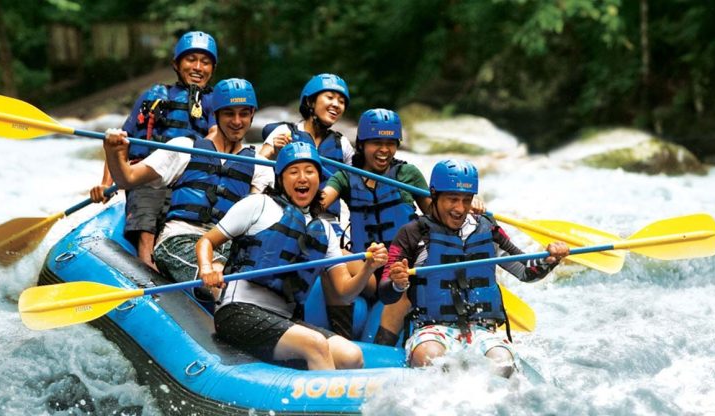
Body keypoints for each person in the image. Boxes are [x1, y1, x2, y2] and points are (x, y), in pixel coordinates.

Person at [196, 142, 388, 370]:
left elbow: (345, 293)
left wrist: (368, 268)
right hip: (238, 311)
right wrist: (207, 268)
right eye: (293, 172)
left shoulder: (324, 230)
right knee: (315, 344)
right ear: (281, 179)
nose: (302, 178)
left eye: (309, 171)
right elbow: (206, 241)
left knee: (351, 355)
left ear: (319, 179)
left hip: (283, 319)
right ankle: (327, 405)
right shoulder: (258, 204)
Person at [378, 159, 569, 377]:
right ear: (434, 194)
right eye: (452, 199)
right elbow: (386, 293)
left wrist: (550, 259)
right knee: (429, 357)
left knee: (502, 363)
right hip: (432, 330)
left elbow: (526, 272)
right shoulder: (411, 233)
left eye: (466, 200)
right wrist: (397, 283)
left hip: (482, 331)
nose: (460, 208)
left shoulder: (488, 229)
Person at [102, 78, 273, 293]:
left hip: (226, 246)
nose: (237, 121)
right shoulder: (185, 148)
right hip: (180, 240)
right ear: (216, 115)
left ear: (252, 115)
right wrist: (113, 151)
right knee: (226, 282)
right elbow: (127, 178)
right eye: (229, 113)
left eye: (244, 113)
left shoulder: (260, 165)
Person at [91, 31, 219, 270]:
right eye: (191, 59)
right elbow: (119, 143)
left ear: (213, 68)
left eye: (205, 62)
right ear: (176, 64)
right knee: (149, 193)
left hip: (188, 177)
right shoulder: (154, 96)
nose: (198, 67)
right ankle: (146, 262)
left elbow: (215, 134)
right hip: (149, 174)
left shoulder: (214, 102)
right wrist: (106, 184)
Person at [318, 109, 429, 342]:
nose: (384, 150)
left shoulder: (408, 174)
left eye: (391, 143)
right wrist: (299, 174)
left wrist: (470, 206)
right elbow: (319, 202)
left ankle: (382, 347)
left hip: (401, 270)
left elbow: (440, 216)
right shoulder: (347, 176)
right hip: (366, 270)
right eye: (376, 143)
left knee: (406, 281)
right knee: (332, 256)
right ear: (362, 144)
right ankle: (341, 339)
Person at [258, 73, 354, 234]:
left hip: (327, 221)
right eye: (330, 97)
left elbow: (357, 183)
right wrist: (275, 151)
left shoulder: (342, 143)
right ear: (310, 101)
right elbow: (258, 165)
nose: (336, 105)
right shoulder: (285, 132)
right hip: (285, 214)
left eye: (341, 101)